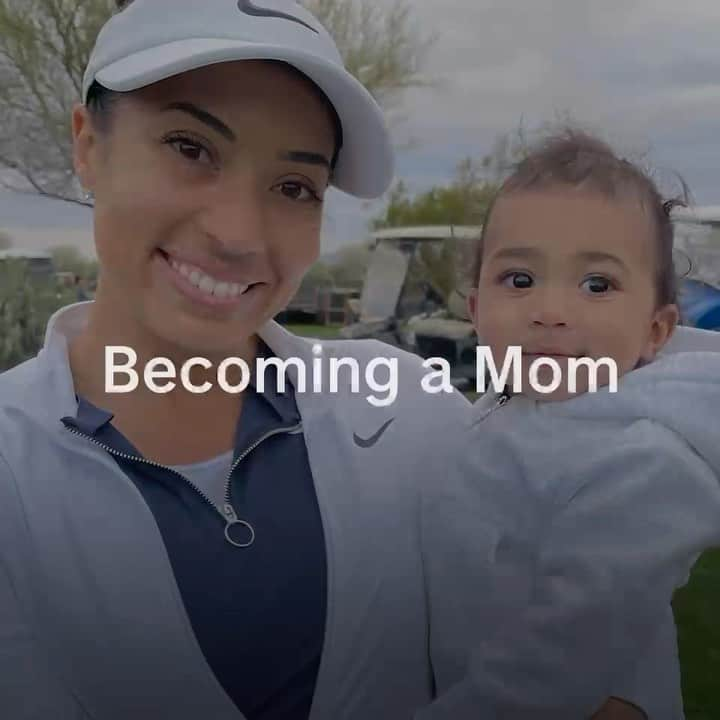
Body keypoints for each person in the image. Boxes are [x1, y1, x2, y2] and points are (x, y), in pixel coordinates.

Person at [0, 2, 471, 718]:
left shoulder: (412, 413)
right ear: (88, 144)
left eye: (293, 188)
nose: (239, 234)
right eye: (191, 148)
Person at [418, 129, 720, 719]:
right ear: (477, 311)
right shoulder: (504, 412)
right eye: (520, 280)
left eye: (597, 285)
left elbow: (565, 656)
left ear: (655, 331)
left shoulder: (646, 457)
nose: (551, 313)